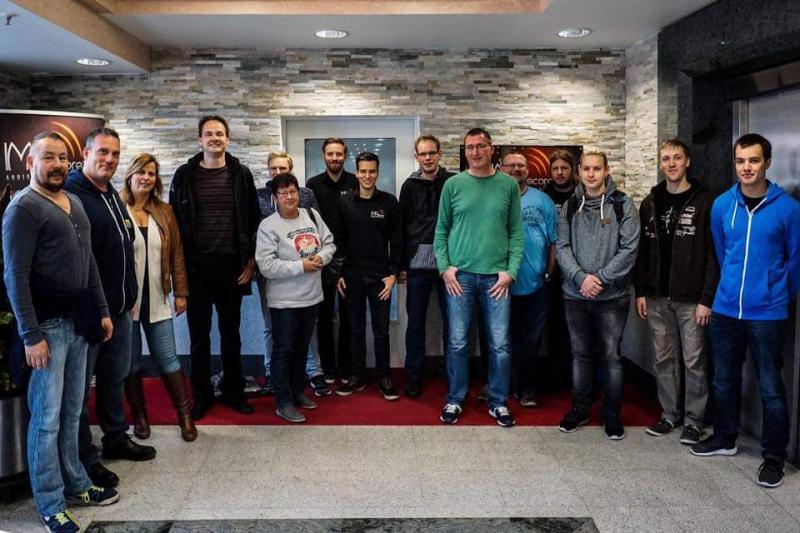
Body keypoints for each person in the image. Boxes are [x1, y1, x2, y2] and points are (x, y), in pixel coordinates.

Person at [3, 131, 118, 533]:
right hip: (47, 329)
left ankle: (77, 485)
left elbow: (89, 263)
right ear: (30, 162)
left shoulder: (73, 201)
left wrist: (102, 311)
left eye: (61, 158)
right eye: (48, 157)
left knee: (72, 414)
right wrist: (30, 334)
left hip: (80, 322)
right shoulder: (23, 208)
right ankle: (50, 504)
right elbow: (14, 277)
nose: (56, 165)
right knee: (47, 419)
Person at [691, 134, 800, 489]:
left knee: (771, 387)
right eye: (740, 161)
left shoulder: (788, 210)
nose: (746, 168)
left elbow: (795, 261)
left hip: (767, 314)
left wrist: (774, 292)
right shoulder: (723, 205)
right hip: (726, 311)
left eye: (753, 160)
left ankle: (774, 457)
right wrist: (726, 291)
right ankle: (725, 437)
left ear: (767, 162)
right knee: (724, 379)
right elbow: (722, 253)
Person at [65, 128, 154, 491]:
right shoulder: (73, 195)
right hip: (89, 314)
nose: (110, 159)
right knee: (79, 390)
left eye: (115, 154)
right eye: (102, 152)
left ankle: (115, 438)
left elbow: (123, 248)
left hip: (119, 308)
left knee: (114, 377)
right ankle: (85, 457)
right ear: (86, 153)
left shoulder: (112, 194)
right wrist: (97, 308)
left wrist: (130, 296)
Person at [170, 115, 261, 420]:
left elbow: (254, 220)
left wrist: (251, 261)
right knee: (199, 338)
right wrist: (177, 271)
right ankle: (201, 397)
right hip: (196, 269)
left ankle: (234, 393)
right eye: (209, 134)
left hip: (232, 268)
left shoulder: (241, 174)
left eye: (219, 133)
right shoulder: (184, 175)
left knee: (231, 335)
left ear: (227, 139)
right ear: (200, 140)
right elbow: (175, 223)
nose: (214, 138)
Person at [434, 127, 524, 427]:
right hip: (459, 278)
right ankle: (455, 398)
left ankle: (498, 402)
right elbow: (441, 230)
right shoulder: (453, 185)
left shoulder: (508, 185)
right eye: (470, 147)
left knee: (500, 345)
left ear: (491, 148)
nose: (475, 152)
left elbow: (516, 233)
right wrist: (445, 268)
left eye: (480, 146)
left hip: (497, 280)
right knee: (458, 343)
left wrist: (511, 272)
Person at [634, 139, 717, 445]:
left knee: (694, 361)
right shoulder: (650, 202)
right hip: (657, 296)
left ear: (687, 161)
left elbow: (713, 255)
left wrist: (706, 298)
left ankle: (694, 421)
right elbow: (643, 252)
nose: (671, 164)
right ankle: (670, 414)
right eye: (666, 159)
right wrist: (640, 291)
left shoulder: (705, 201)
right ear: (660, 164)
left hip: (691, 298)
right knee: (663, 359)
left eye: (677, 158)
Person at [556, 150, 640, 440]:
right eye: (586, 169)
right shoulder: (570, 206)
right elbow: (562, 247)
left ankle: (611, 414)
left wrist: (600, 279)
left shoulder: (623, 205)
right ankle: (579, 409)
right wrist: (581, 278)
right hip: (575, 295)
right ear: (579, 171)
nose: (591, 174)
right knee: (580, 355)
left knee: (611, 357)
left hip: (612, 297)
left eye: (596, 169)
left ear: (606, 171)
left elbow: (629, 249)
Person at [121, 153, 197, 442]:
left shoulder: (164, 211)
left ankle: (184, 416)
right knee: (130, 363)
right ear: (130, 175)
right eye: (141, 172)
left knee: (168, 358)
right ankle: (140, 417)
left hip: (158, 296)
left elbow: (176, 254)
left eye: (151, 173)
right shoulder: (116, 207)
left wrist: (181, 293)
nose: (146, 178)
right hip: (126, 302)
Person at [256, 173, 336, 422]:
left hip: (311, 297)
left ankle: (298, 391)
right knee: (283, 350)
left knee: (302, 348)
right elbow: (266, 266)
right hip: (284, 302)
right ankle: (283, 401)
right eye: (283, 193)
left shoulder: (311, 216)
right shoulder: (268, 225)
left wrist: (321, 258)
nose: (289, 197)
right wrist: (301, 266)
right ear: (275, 197)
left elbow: (330, 243)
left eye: (292, 192)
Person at [335, 152, 402, 399]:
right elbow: (338, 240)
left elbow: (398, 240)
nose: (367, 176)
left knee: (381, 331)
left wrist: (393, 273)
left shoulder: (389, 202)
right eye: (363, 171)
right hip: (351, 278)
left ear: (377, 172)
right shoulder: (345, 203)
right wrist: (338, 273)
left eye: (372, 171)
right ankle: (356, 376)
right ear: (356, 173)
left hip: (380, 279)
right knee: (354, 329)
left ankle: (384, 377)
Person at [499, 151, 558, 408]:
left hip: (536, 285)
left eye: (521, 165)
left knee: (531, 341)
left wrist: (549, 271)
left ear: (528, 169)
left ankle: (527, 390)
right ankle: (503, 388)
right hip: (500, 285)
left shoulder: (542, 201)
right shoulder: (494, 198)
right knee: (502, 341)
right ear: (501, 168)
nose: (516, 169)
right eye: (511, 165)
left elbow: (554, 241)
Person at [399, 135, 454, 397]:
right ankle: (413, 376)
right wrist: (401, 264)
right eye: (423, 154)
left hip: (449, 266)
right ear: (417, 156)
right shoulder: (409, 186)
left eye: (432, 152)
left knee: (453, 324)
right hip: (417, 266)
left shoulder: (453, 182)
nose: (428, 158)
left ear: (440, 153)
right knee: (415, 325)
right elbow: (401, 227)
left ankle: (454, 376)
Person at [305, 138, 358, 384]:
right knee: (323, 317)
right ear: (324, 155)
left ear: (345, 155)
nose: (334, 158)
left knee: (348, 318)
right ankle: (327, 367)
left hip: (350, 259)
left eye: (338, 154)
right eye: (330, 154)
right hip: (322, 260)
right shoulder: (313, 185)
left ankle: (347, 368)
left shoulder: (355, 182)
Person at [543, 150, 578, 389]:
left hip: (576, 269)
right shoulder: (544, 195)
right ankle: (555, 376)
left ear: (572, 169)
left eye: (564, 168)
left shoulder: (581, 195)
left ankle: (576, 377)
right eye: (555, 168)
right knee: (553, 323)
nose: (559, 173)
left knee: (575, 326)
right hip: (551, 268)